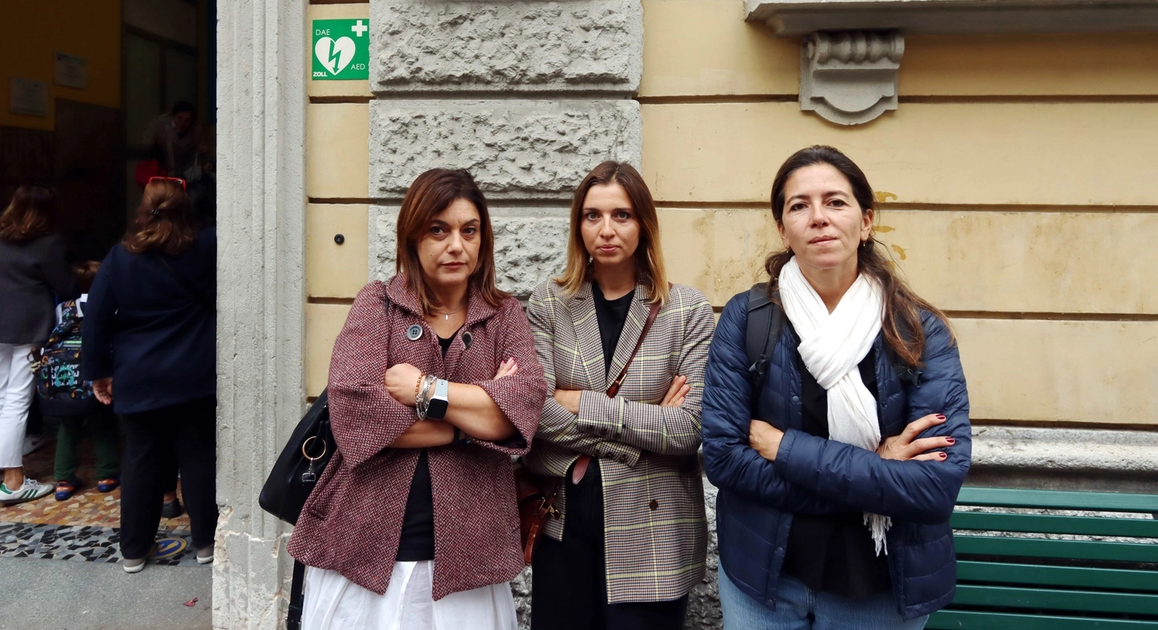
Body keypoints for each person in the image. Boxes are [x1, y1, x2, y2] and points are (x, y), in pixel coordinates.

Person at [702, 146, 971, 629]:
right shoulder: (747, 319)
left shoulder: (918, 330)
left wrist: (782, 447)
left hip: (878, 589)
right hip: (765, 581)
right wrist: (874, 473)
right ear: (783, 229)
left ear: (866, 221)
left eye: (836, 202)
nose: (819, 218)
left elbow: (934, 488)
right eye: (799, 205)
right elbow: (723, 456)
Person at [287, 168, 545, 630]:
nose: (456, 245)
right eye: (438, 230)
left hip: (470, 553)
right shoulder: (377, 304)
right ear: (412, 236)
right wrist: (471, 422)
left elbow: (522, 408)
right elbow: (355, 414)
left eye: (469, 231)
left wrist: (426, 391)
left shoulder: (505, 315)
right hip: (366, 545)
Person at [524, 161, 715, 630]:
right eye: (592, 216)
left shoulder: (686, 309)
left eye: (621, 215)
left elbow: (689, 430)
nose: (606, 230)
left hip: (653, 524)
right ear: (578, 225)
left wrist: (583, 403)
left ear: (644, 224)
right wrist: (642, 428)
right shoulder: (549, 302)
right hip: (563, 518)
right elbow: (536, 414)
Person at [83, 177, 216, 573]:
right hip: (194, 372)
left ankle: (134, 550)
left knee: (141, 461)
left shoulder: (120, 256)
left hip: (138, 376)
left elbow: (96, 319)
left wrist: (98, 373)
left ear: (143, 210)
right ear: (185, 207)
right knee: (197, 456)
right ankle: (207, 542)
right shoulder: (206, 245)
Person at [0, 185, 78, 504]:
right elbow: (66, 286)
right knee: (17, 400)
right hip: (28, 326)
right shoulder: (48, 243)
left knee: (0, 396)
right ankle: (14, 481)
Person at [50, 261, 120, 501]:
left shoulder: (63, 307)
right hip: (95, 373)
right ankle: (107, 474)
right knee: (103, 422)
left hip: (66, 377)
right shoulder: (111, 306)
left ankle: (63, 479)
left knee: (67, 426)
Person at [141, 101, 209, 181]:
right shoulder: (159, 125)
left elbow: (201, 152)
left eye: (187, 120)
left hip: (186, 173)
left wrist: (202, 151)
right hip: (162, 171)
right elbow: (145, 144)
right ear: (173, 116)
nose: (183, 123)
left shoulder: (196, 129)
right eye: (179, 118)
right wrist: (153, 144)